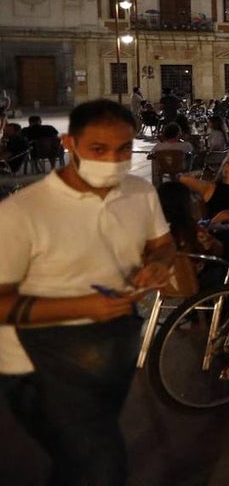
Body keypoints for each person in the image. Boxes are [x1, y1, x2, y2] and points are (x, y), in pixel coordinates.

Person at [0, 99, 176, 485]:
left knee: (79, 457)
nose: (114, 159)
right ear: (69, 143)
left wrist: (160, 264)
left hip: (115, 338)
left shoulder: (139, 192)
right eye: (99, 149)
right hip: (36, 359)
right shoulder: (23, 212)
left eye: (124, 149)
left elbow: (163, 244)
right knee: (100, 466)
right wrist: (86, 306)